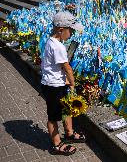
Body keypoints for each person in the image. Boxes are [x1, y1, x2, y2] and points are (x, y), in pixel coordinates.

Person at [41, 11, 85, 156]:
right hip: (53, 86)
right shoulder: (58, 47)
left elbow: (55, 66)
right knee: (53, 116)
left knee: (67, 108)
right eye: (70, 30)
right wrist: (72, 84)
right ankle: (56, 144)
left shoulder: (51, 41)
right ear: (61, 30)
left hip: (56, 82)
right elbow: (67, 68)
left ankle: (69, 132)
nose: (71, 33)